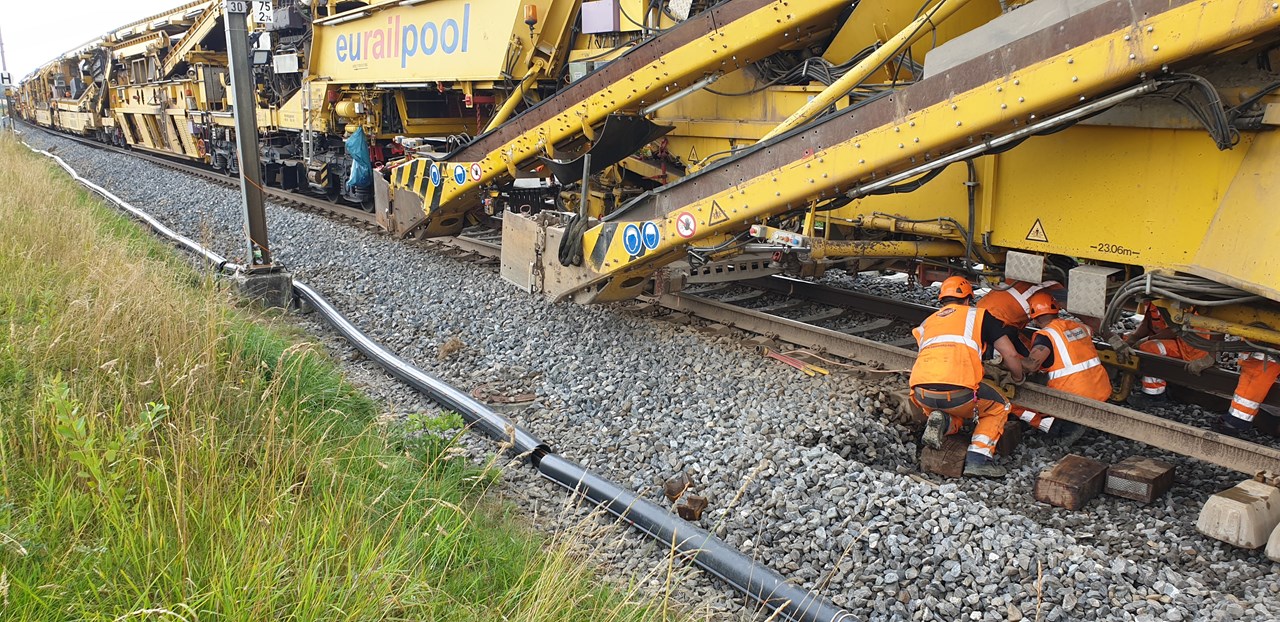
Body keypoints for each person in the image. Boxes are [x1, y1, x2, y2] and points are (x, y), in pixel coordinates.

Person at [911, 276, 1026, 478]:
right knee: (999, 407)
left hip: (922, 394)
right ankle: (979, 460)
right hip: (959, 391)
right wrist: (1018, 378)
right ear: (968, 299)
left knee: (956, 410)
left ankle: (942, 421)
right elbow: (1011, 354)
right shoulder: (979, 316)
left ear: (942, 300)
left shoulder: (927, 322)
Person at [1015, 292, 1112, 444]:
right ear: (1057, 310)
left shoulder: (1046, 336)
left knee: (1014, 403)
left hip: (1073, 398)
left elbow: (1031, 365)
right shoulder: (1079, 327)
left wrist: (1007, 361)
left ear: (1034, 317)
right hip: (1101, 391)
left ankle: (1053, 426)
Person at [1123, 299, 1211, 406]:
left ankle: (1154, 395)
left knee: (1150, 348)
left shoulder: (1181, 302)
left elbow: (1176, 330)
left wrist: (1147, 339)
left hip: (1188, 348)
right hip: (1172, 341)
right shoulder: (1155, 300)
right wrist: (1133, 338)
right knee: (1127, 339)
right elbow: (1147, 323)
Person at [976, 279, 1065, 357]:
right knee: (1012, 356)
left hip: (980, 311)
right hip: (997, 321)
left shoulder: (1021, 279)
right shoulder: (1054, 289)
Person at [1220, 352, 1280, 435]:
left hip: (1264, 357)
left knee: (1251, 386)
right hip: (1267, 357)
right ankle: (1234, 422)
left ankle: (1233, 423)